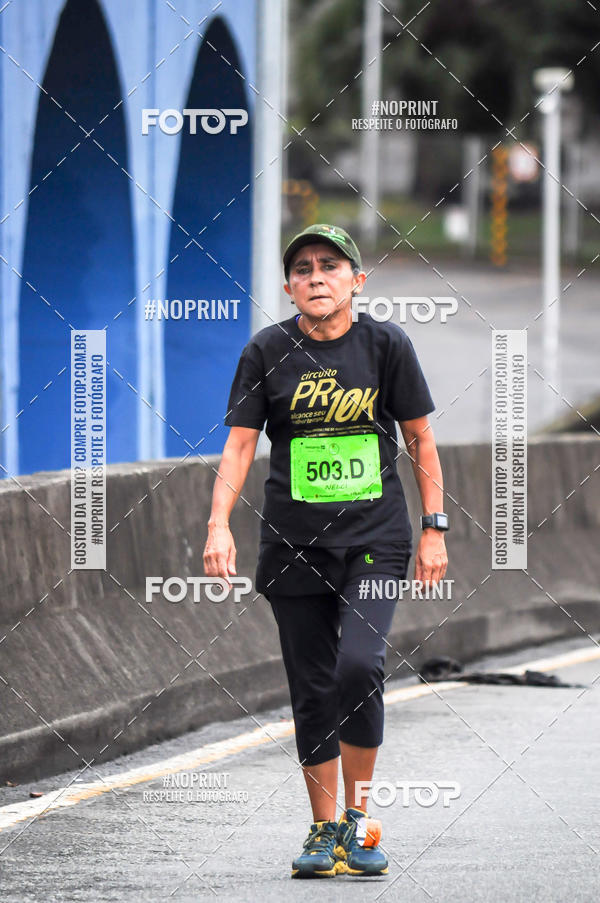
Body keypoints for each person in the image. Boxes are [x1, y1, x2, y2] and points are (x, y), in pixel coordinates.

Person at [203, 223, 449, 879]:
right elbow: (238, 446)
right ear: (288, 286)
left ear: (356, 281)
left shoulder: (386, 346)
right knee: (311, 687)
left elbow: (422, 441)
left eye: (331, 266)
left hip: (375, 539)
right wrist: (218, 524)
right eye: (304, 268)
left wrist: (434, 527)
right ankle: (322, 828)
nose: (317, 276)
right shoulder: (266, 351)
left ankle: (361, 820)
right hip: (293, 544)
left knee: (357, 667)